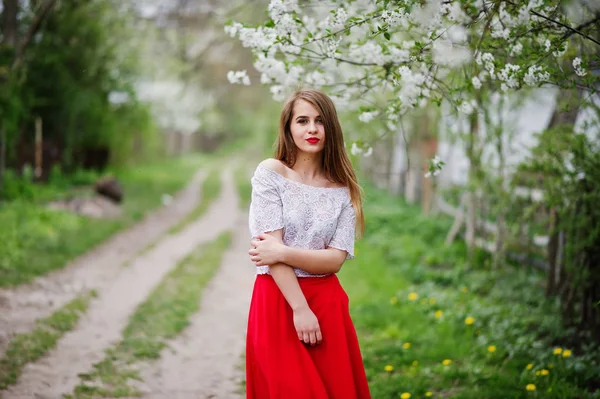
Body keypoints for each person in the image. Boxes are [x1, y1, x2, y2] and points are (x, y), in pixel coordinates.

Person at [245, 88, 371, 399]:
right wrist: (300, 309)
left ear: (331, 128)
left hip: (327, 304)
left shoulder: (343, 189)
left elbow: (334, 261)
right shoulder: (270, 174)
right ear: (288, 127)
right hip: (278, 299)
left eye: (319, 121)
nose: (311, 129)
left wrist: (284, 251)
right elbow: (268, 254)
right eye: (302, 120)